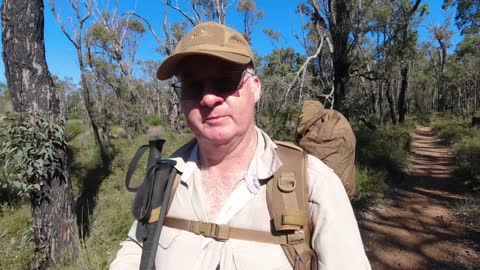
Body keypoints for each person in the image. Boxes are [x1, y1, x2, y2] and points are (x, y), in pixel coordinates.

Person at [110, 21, 371, 270]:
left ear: (255, 88)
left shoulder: (314, 184)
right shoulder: (164, 179)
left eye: (225, 81)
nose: (209, 98)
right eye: (193, 86)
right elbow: (137, 246)